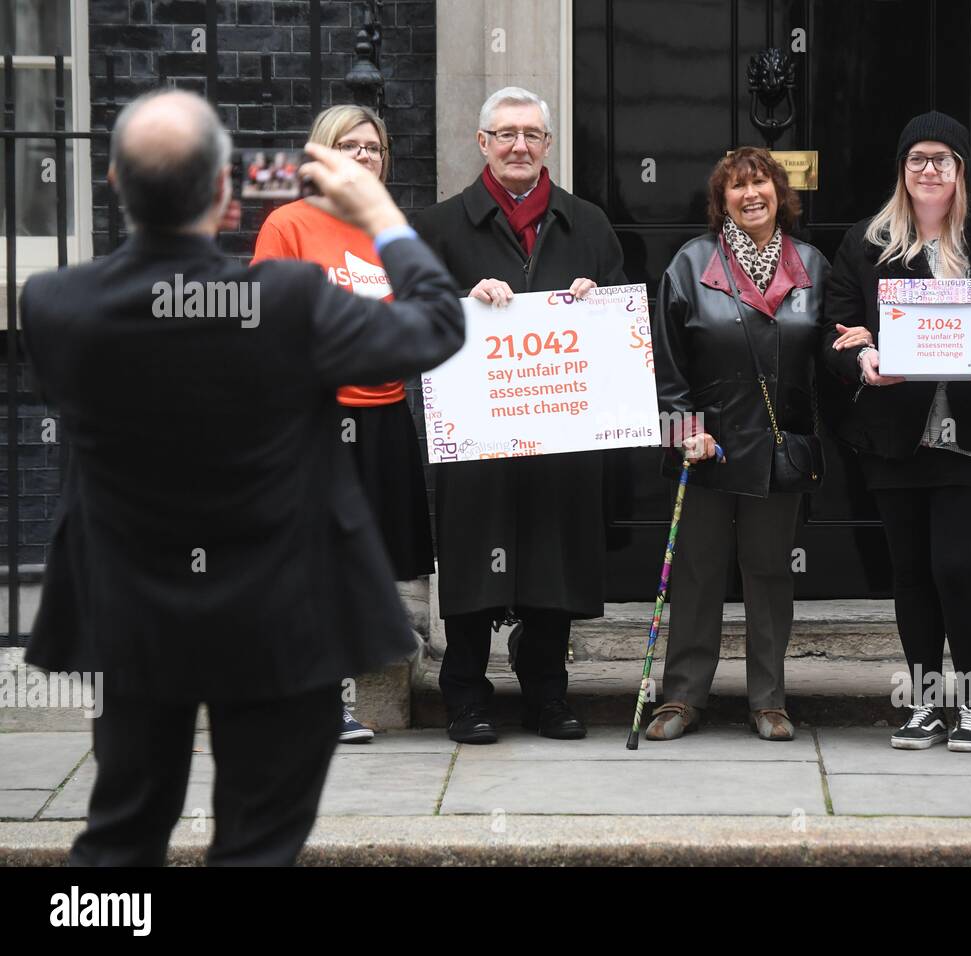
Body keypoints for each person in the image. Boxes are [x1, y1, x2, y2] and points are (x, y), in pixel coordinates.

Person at [20, 89, 465, 865]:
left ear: (118, 186)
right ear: (227, 198)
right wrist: (381, 216)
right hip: (278, 616)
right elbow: (437, 323)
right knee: (258, 844)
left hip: (133, 613)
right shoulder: (287, 300)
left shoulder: (55, 303)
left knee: (120, 836)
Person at [822, 112, 971, 753]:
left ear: (960, 168)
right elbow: (837, 326)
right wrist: (859, 357)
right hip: (892, 432)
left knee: (954, 563)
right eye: (916, 157)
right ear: (902, 167)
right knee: (910, 569)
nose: (928, 169)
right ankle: (924, 703)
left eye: (941, 158)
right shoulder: (866, 241)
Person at [413, 86, 626, 744]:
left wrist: (598, 303)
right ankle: (467, 697)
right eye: (505, 134)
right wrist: (458, 299)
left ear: (548, 146)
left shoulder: (588, 224)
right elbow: (412, 323)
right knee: (475, 561)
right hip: (476, 433)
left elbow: (622, 334)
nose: (518, 146)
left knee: (552, 564)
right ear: (482, 143)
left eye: (532, 134)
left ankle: (547, 696)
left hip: (560, 434)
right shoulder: (441, 227)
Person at [253, 105, 435, 744]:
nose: (365, 157)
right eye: (349, 146)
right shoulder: (289, 223)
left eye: (374, 148)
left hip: (384, 415)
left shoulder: (389, 228)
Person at [646, 147, 830, 742]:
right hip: (705, 447)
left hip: (779, 450)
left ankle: (769, 699)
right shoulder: (690, 264)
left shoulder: (813, 266)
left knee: (770, 573)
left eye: (762, 184)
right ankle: (681, 697)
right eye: (737, 187)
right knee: (697, 571)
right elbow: (666, 368)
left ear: (781, 193)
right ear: (720, 201)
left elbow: (829, 357)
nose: (751, 195)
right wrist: (681, 434)